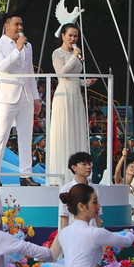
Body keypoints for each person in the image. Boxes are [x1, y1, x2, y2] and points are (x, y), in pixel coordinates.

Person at [0, 14, 41, 186]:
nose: (20, 27)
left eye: (21, 24)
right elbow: (2, 67)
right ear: (6, 26)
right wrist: (17, 49)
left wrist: (36, 98)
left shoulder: (28, 46)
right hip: (6, 97)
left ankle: (26, 175)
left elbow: (29, 72)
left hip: (25, 95)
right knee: (1, 134)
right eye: (17, 24)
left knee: (26, 136)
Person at [47, 23, 90, 186]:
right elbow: (62, 73)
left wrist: (85, 82)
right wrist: (74, 56)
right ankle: (61, 174)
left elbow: (74, 77)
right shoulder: (57, 53)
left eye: (76, 36)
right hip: (63, 95)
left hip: (76, 95)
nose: (73, 39)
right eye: (70, 35)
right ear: (63, 36)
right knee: (64, 130)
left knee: (76, 128)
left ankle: (79, 173)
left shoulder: (75, 54)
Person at [58, 151, 95, 228]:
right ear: (74, 167)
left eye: (89, 164)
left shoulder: (94, 188)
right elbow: (64, 217)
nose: (88, 167)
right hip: (74, 233)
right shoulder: (66, 188)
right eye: (84, 164)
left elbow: (97, 216)